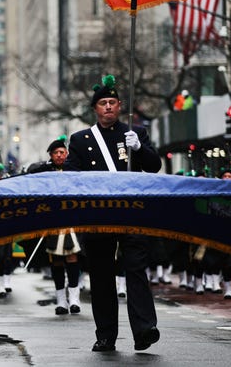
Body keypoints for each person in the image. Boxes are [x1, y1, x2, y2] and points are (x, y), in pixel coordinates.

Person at [64, 74, 162, 353]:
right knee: (102, 275)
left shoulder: (135, 134)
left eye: (113, 102)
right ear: (95, 109)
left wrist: (140, 148)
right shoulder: (81, 140)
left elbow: (154, 167)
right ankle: (106, 334)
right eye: (103, 103)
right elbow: (71, 176)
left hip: (131, 212)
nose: (108, 107)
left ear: (120, 107)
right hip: (98, 216)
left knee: (136, 271)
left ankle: (144, 330)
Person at [30, 136, 83, 315]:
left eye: (62, 152)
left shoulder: (74, 170)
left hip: (72, 220)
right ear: (51, 155)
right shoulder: (44, 171)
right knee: (57, 261)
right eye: (56, 153)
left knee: (72, 257)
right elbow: (31, 175)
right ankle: (61, 300)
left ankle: (75, 299)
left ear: (66, 153)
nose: (59, 155)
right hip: (52, 221)